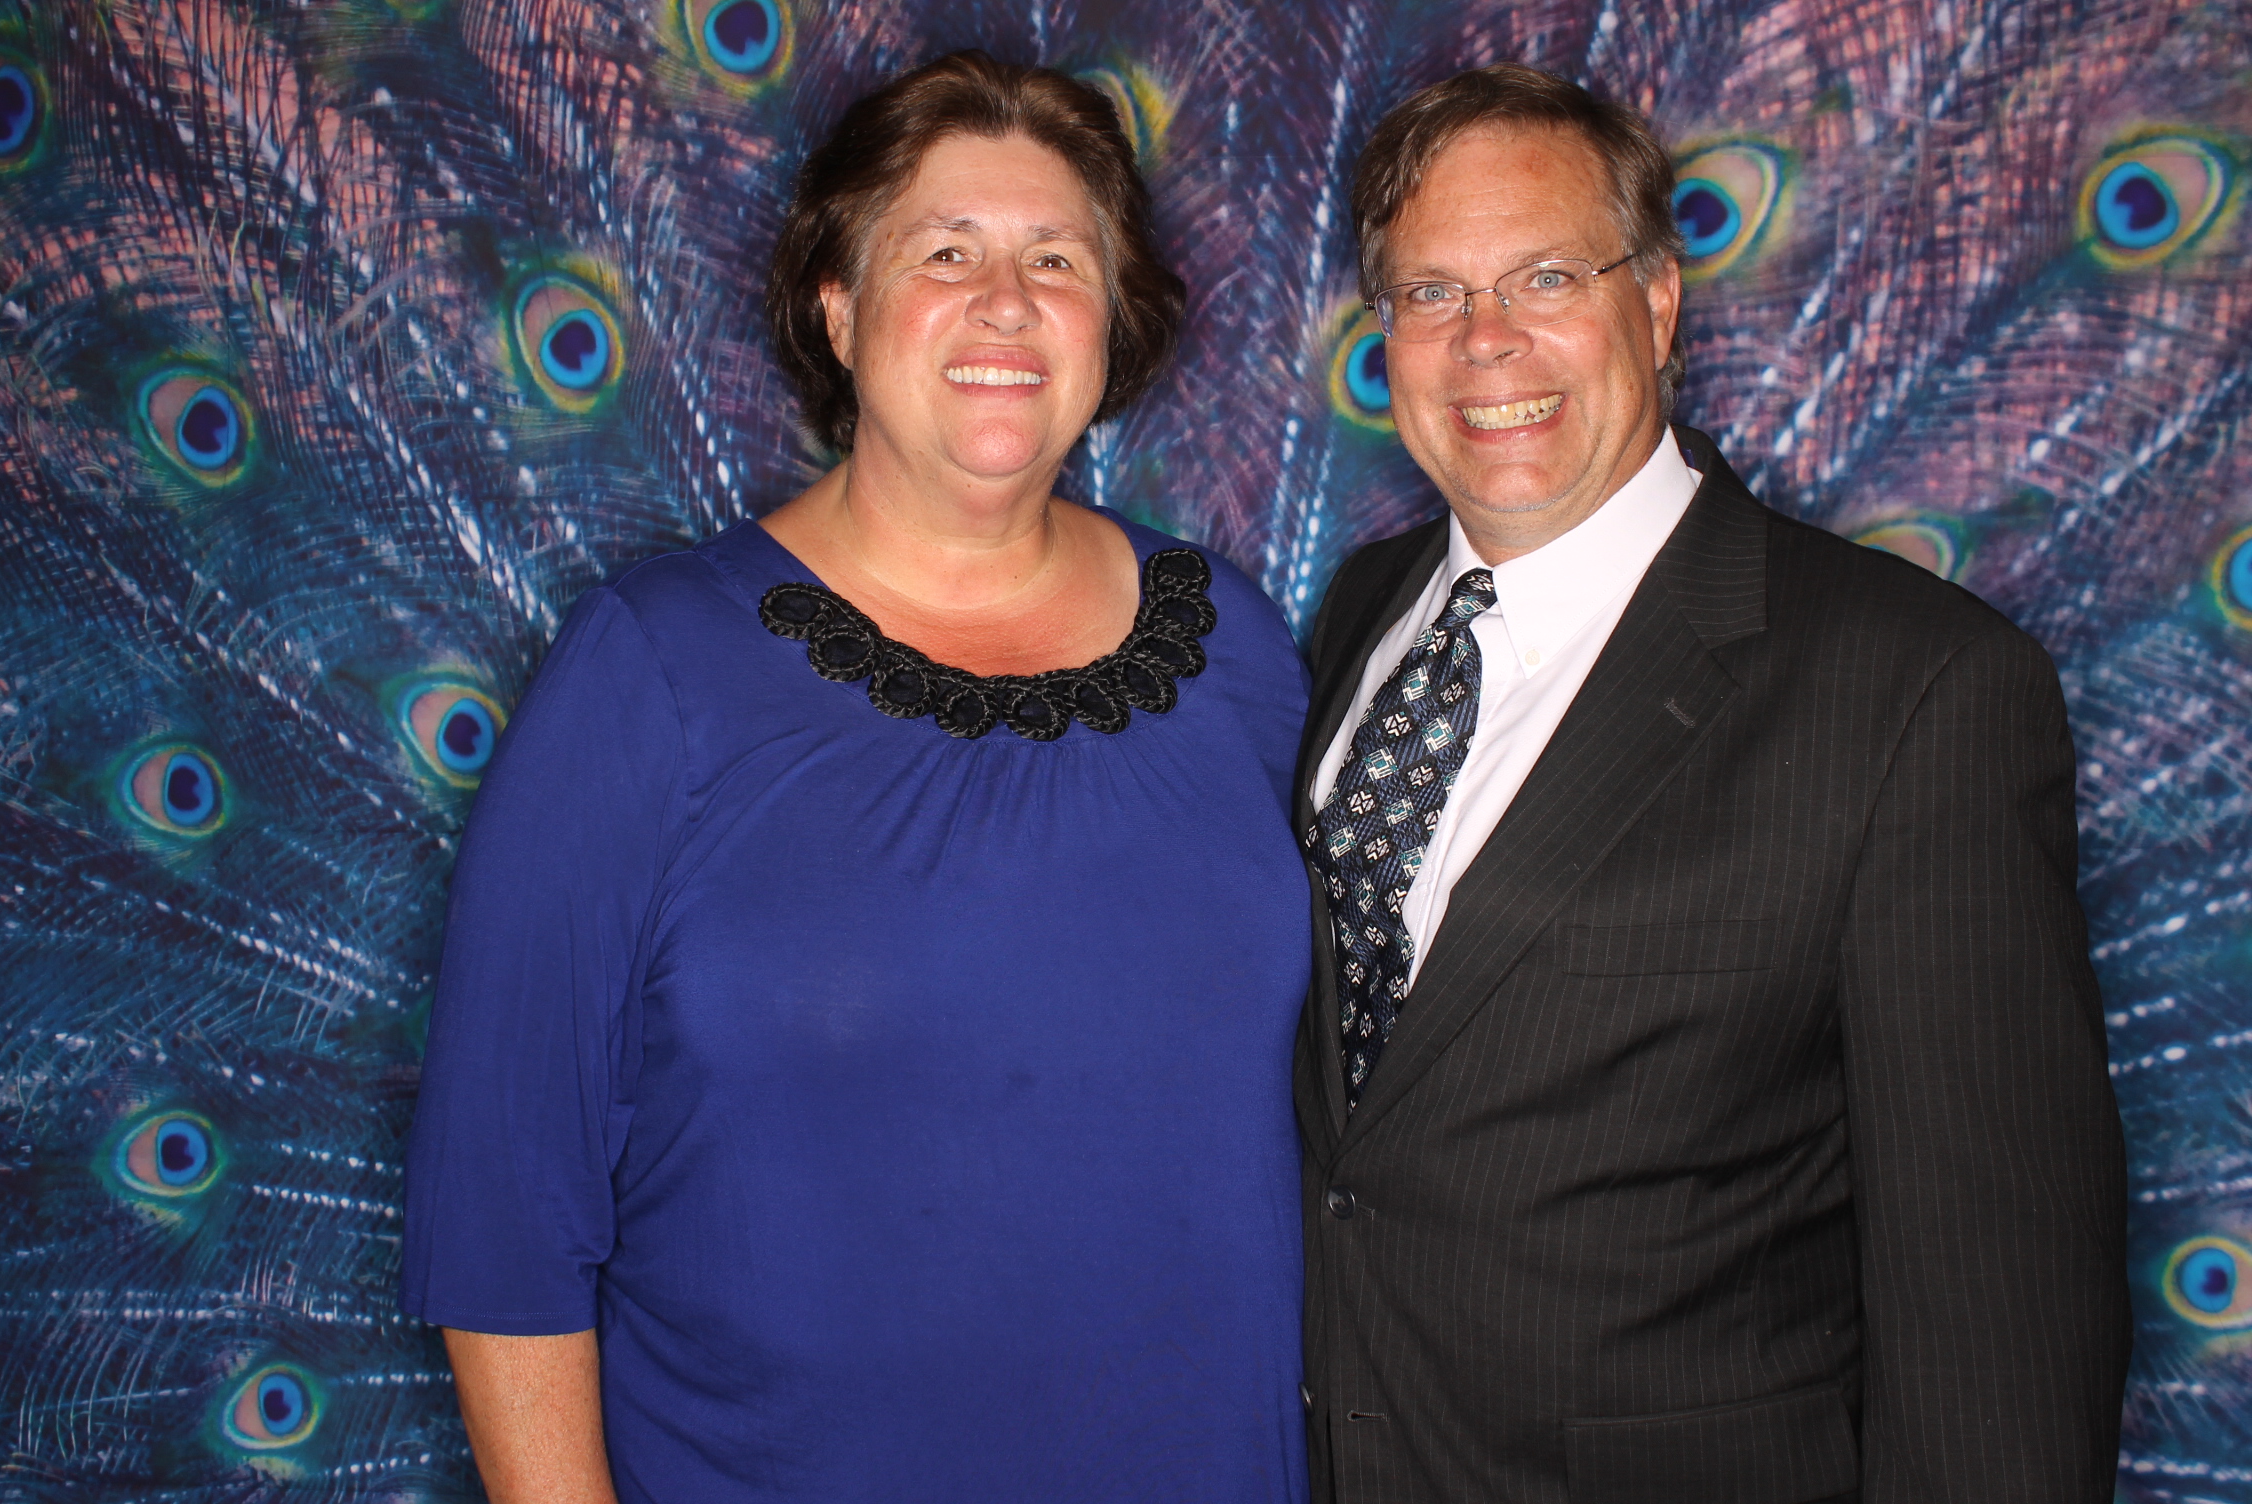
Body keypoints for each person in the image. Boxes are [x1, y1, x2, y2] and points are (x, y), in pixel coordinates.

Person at [401, 51, 1312, 1504]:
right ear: (839, 309)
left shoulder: (1238, 650)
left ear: (1110, 323)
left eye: (1056, 257)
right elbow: (506, 1204)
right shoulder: (649, 671)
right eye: (944, 251)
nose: (1006, 303)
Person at [1293, 63, 2130, 1503]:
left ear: (1661, 301)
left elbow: (2000, 1319)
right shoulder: (1364, 612)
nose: (1484, 340)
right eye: (1431, 294)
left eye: (1546, 274)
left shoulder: (1915, 691)